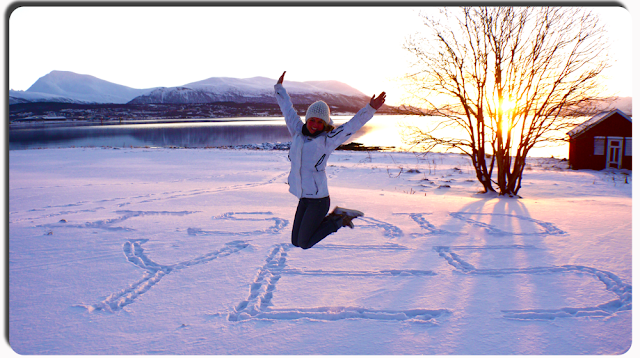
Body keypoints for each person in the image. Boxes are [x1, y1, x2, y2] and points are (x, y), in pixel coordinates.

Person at [274, 71, 386, 249]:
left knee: (304, 243)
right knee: (296, 242)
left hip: (319, 200)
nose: (315, 125)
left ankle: (338, 219)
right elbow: (288, 111)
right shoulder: (297, 131)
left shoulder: (327, 140)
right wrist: (280, 90)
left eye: (320, 122)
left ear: (325, 124)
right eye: (312, 120)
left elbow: (351, 126)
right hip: (304, 197)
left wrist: (370, 108)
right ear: (307, 120)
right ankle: (337, 218)